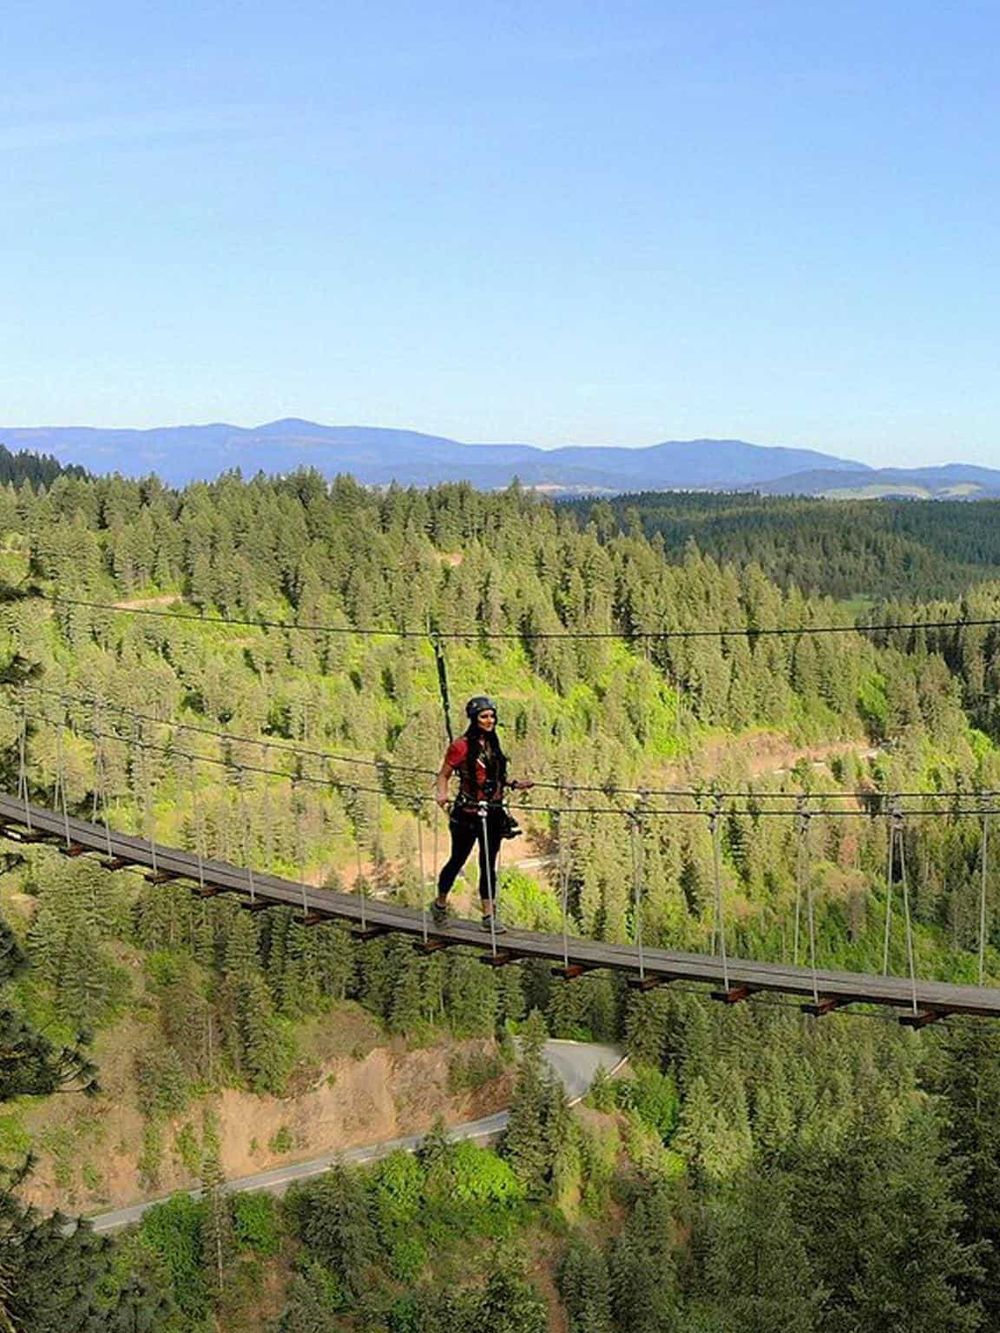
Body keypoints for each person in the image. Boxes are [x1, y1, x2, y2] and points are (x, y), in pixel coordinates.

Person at [430, 695, 532, 932]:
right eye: (484, 716)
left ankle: (488, 916)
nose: (490, 720)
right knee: (458, 860)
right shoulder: (461, 747)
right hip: (467, 812)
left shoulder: (492, 744)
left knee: (488, 864)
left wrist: (513, 784)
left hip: (493, 812)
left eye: (492, 716)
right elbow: (443, 774)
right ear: (474, 719)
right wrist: (441, 795)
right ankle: (440, 904)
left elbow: (493, 777)